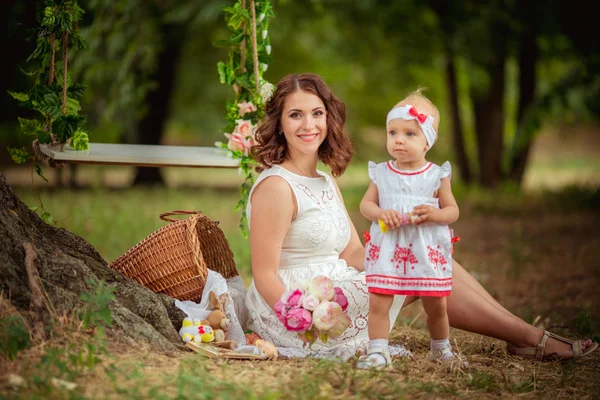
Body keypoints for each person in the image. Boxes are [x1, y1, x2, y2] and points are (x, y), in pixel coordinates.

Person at [244, 73, 598, 362]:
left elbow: (353, 252)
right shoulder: (276, 187)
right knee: (421, 267)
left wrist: (404, 250)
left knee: (428, 256)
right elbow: (264, 275)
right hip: (297, 308)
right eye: (296, 115)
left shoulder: (324, 180)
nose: (309, 124)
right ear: (279, 124)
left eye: (317, 113)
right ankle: (530, 338)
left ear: (328, 118)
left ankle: (526, 336)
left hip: (332, 284)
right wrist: (302, 320)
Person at [357, 89, 464, 369]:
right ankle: (378, 350)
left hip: (425, 248)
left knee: (435, 305)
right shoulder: (381, 172)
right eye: (392, 133)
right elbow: (365, 205)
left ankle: (440, 348)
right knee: (380, 300)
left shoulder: (436, 175)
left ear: (428, 141)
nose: (399, 140)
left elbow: (452, 211)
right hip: (389, 247)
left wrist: (434, 214)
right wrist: (381, 213)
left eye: (410, 134)